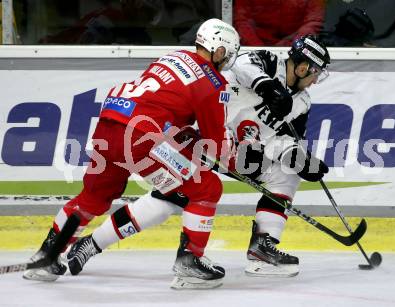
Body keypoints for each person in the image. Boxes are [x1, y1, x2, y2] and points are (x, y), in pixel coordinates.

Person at [65, 35, 330, 279]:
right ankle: (92, 243)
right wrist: (268, 86)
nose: (316, 80)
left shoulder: (303, 102)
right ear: (304, 67)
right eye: (316, 72)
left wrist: (298, 158)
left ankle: (262, 248)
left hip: (240, 151)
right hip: (205, 135)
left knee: (286, 173)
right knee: (170, 197)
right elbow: (240, 65)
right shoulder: (269, 62)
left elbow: (282, 139)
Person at [23, 18, 240, 290]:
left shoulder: (173, 57)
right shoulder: (213, 83)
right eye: (227, 55)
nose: (225, 62)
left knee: (93, 198)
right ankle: (190, 262)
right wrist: (232, 160)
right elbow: (216, 145)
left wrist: (188, 142)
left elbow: (165, 105)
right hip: (142, 136)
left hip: (110, 122)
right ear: (219, 51)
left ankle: (46, 255)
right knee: (206, 188)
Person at [233, 0, 325, 46]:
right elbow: (242, 21)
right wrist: (260, 49)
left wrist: (294, 47)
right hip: (254, 51)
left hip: (296, 51)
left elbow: (313, 21)